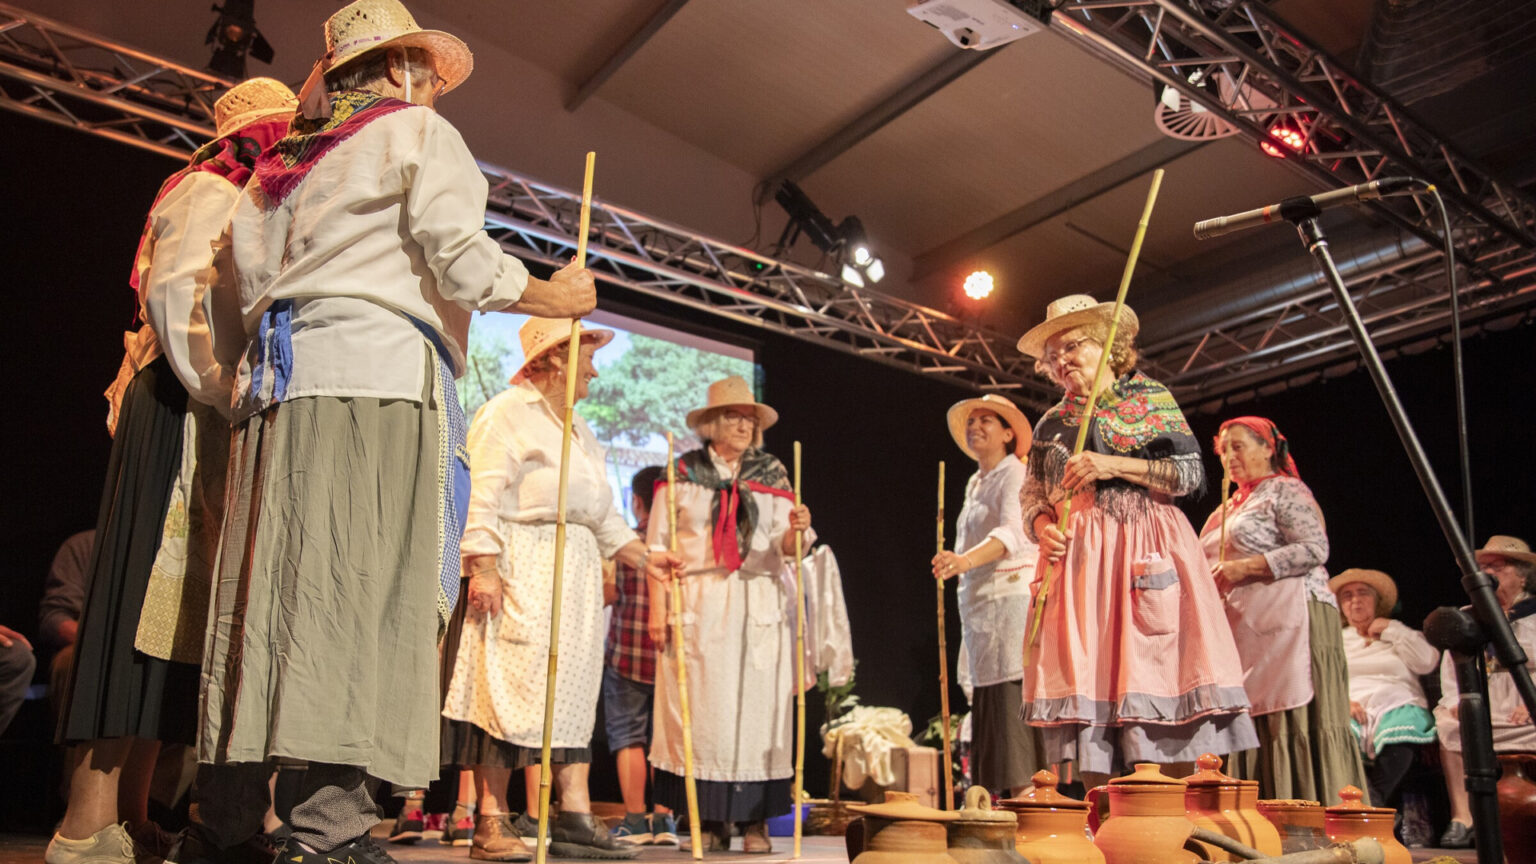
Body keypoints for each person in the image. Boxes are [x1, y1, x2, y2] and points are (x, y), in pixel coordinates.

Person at [192, 2, 599, 861]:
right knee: (359, 595)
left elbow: (242, 289)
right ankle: (328, 830)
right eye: (422, 71)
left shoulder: (277, 171)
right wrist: (552, 296)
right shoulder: (414, 131)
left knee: (271, 597)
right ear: (398, 70)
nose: (431, 90)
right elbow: (460, 257)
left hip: (279, 391)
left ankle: (226, 821)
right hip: (372, 384)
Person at [44, 77, 298, 864]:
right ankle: (84, 824)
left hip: (208, 414)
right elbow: (179, 301)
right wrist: (230, 392)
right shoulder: (204, 191)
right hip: (178, 408)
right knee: (131, 613)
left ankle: (136, 812)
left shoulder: (242, 203)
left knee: (177, 621)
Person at [441, 318, 672, 861]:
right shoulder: (507, 413)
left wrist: (649, 558)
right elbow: (481, 493)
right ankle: (491, 822)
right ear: (553, 360)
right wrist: (485, 566)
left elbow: (605, 520)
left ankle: (571, 816)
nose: (594, 368)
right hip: (522, 566)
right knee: (501, 688)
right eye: (585, 356)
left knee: (568, 696)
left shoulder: (579, 429)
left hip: (576, 581)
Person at [1015, 294, 1256, 786]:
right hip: (1081, 564)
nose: (1062, 361)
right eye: (1053, 354)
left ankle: (1170, 819)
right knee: (1090, 685)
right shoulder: (1052, 423)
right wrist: (1044, 531)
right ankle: (1107, 826)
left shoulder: (1149, 398)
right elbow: (1032, 497)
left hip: (1145, 546)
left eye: (1073, 346)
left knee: (1158, 672)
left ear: (1108, 344)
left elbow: (1189, 474)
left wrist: (1113, 465)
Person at [646, 375, 813, 854]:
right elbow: (658, 546)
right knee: (702, 715)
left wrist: (799, 529)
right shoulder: (681, 473)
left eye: (750, 419)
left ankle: (756, 822)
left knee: (757, 716)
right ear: (714, 422)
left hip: (757, 601)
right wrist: (659, 610)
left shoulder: (774, 473)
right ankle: (710, 820)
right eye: (735, 416)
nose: (744, 425)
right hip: (699, 599)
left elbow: (789, 548)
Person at [1197, 417, 1369, 803]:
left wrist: (1247, 566)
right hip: (1247, 626)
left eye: (1238, 446)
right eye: (1223, 450)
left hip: (1296, 618)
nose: (1229, 457)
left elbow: (1314, 548)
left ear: (1268, 448)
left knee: (1293, 715)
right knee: (1256, 716)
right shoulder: (1226, 509)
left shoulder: (1286, 491)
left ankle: (1311, 809)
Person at [931, 394, 1044, 796]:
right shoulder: (975, 482)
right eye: (972, 420)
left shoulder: (1015, 473)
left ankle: (1026, 798)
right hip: (981, 608)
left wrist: (962, 561)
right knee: (990, 702)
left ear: (1009, 433)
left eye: (986, 421)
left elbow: (1013, 533)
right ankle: (1001, 801)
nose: (975, 426)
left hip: (1009, 602)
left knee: (1009, 700)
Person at [1432, 535, 1536, 848]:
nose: (1487, 573)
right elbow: (1451, 666)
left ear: (1521, 574)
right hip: (1484, 699)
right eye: (1483, 567)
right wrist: (1455, 700)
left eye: (1497, 567)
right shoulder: (1468, 615)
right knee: (1450, 723)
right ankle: (1463, 817)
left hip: (1525, 700)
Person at [602, 465, 678, 847]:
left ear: (636, 501)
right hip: (670, 657)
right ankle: (665, 821)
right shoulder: (680, 547)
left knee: (629, 735)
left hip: (626, 657)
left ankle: (635, 820)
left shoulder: (627, 545)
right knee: (666, 738)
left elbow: (608, 594)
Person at [1330, 569, 1439, 815]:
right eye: (1347, 595)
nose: (1355, 600)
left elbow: (1427, 662)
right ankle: (1374, 809)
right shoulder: (1337, 639)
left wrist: (1390, 629)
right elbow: (1324, 678)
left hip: (1398, 700)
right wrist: (1342, 701)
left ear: (1377, 600)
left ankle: (1369, 807)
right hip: (1352, 704)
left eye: (1362, 593)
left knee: (1401, 726)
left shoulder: (1399, 632)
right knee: (1339, 731)